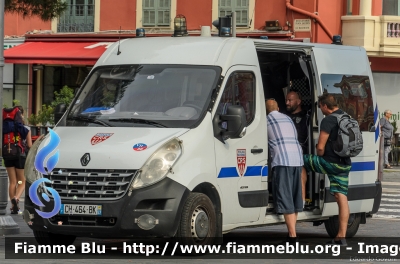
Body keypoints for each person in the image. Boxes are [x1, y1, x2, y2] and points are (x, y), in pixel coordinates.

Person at [302, 94, 352, 246]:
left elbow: (320, 148)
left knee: (300, 161)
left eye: (320, 107)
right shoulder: (347, 117)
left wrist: (319, 154)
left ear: (324, 105)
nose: (320, 110)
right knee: (341, 197)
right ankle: (341, 237)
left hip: (330, 163)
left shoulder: (328, 120)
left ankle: (302, 201)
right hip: (345, 163)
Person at [266, 99, 303, 242]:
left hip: (282, 160)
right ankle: (292, 233)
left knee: (285, 197)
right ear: (278, 107)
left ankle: (293, 236)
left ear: (266, 110)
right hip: (297, 159)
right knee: (294, 197)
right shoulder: (288, 118)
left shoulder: (266, 120)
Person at [4, 106, 32, 214]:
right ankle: (16, 198)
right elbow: (29, 145)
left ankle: (13, 207)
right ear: (21, 115)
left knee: (13, 181)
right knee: (22, 181)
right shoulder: (25, 128)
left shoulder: (6, 127)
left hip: (7, 154)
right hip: (20, 156)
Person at [285, 91, 309, 207]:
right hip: (285, 150)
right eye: (286, 100)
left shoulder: (306, 117)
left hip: (300, 149)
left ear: (298, 102)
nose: (287, 103)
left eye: (290, 100)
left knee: (300, 169)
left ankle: (301, 201)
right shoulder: (284, 116)